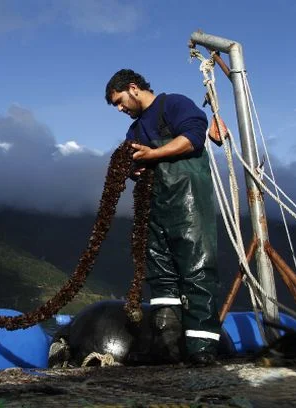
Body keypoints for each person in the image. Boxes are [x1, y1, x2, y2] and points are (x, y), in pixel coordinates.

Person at [105, 69, 220, 365]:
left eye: (119, 102)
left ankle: (202, 350)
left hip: (188, 200)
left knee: (196, 269)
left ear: (133, 88)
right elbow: (134, 164)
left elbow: (193, 139)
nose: (119, 109)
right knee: (161, 275)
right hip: (154, 207)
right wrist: (134, 169)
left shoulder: (174, 104)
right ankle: (167, 346)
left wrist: (153, 156)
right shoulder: (134, 131)